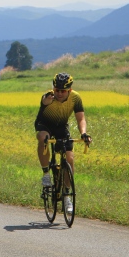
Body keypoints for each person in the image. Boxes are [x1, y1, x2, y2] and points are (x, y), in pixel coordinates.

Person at [34, 72, 91, 214]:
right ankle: (46, 173)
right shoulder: (49, 96)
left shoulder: (76, 98)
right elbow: (44, 101)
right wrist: (46, 100)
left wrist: (83, 133)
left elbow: (80, 119)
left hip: (61, 127)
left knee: (70, 158)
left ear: (69, 90)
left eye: (63, 91)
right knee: (43, 138)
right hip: (44, 125)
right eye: (57, 90)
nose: (59, 93)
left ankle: (66, 196)